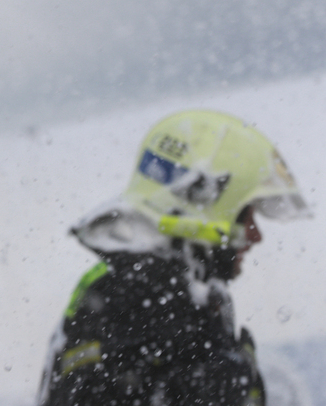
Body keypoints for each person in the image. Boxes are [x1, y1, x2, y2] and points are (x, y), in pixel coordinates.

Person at [37, 110, 309, 406]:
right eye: (246, 216)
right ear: (204, 202)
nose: (255, 236)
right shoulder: (150, 301)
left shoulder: (148, 289)